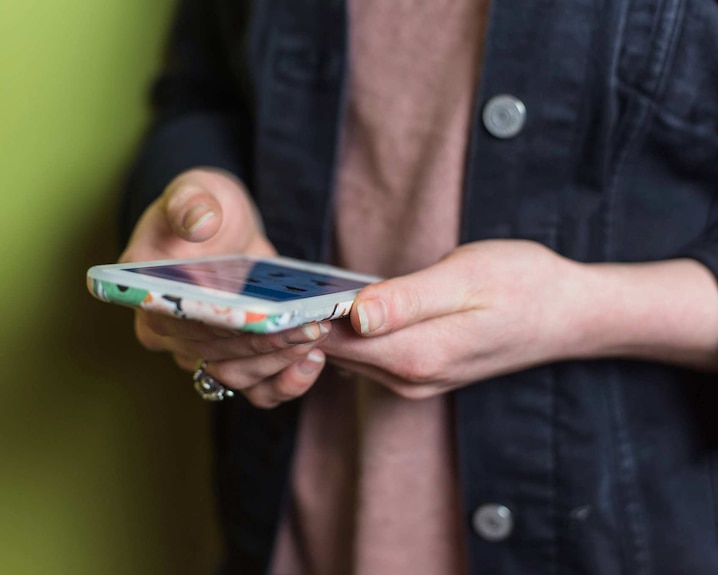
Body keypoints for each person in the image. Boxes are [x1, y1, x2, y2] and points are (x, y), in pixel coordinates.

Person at [118, 0, 718, 573]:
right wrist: (200, 205)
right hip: (291, 521)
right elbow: (202, 96)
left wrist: (572, 309)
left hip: (615, 529)